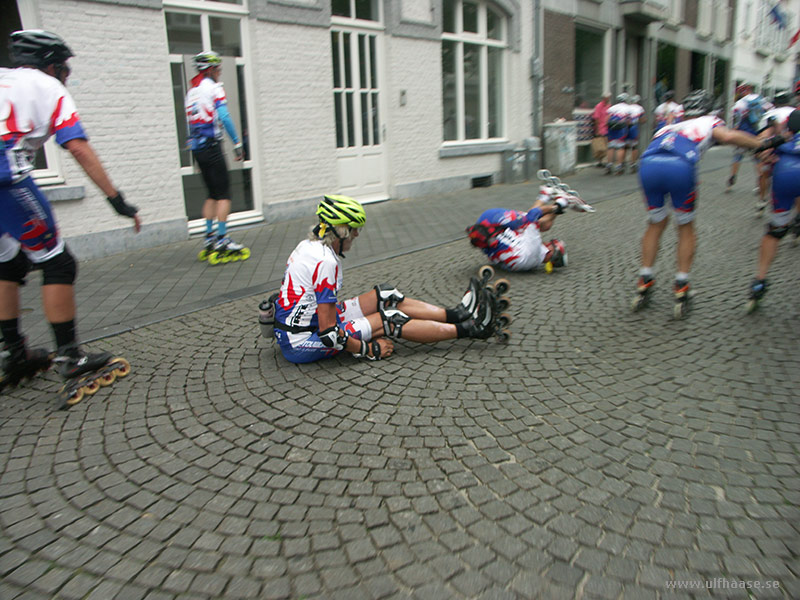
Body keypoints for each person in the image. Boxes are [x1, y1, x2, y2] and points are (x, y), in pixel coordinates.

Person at [0, 30, 140, 389]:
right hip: (6, 178)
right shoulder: (49, 87)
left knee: (9, 263)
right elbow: (76, 147)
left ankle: (12, 353)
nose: (66, 75)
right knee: (58, 263)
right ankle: (70, 356)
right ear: (53, 65)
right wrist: (116, 199)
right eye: (64, 67)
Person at [272, 195, 502, 363]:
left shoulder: (309, 245)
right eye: (354, 230)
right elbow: (328, 334)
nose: (357, 235)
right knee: (390, 319)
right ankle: (471, 328)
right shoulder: (325, 262)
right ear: (341, 231)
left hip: (304, 323)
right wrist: (369, 349)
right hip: (301, 342)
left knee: (385, 295)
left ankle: (457, 314)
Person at [632, 89, 783, 318]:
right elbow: (730, 137)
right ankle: (681, 284)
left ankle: (644, 279)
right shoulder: (710, 121)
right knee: (685, 226)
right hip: (680, 166)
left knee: (655, 223)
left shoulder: (668, 127)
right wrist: (762, 145)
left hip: (649, 164)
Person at [185, 51, 248, 262]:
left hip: (197, 148)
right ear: (211, 69)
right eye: (218, 69)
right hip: (212, 146)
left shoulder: (191, 92)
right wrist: (237, 143)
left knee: (211, 194)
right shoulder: (214, 89)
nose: (220, 72)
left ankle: (209, 237)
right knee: (224, 195)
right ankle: (222, 238)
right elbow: (224, 116)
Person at [466, 181, 592, 272]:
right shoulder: (532, 264)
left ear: (551, 251)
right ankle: (546, 194)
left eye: (552, 244)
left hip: (491, 220)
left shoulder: (534, 248)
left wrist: (559, 206)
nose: (549, 242)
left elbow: (533, 215)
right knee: (542, 225)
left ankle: (556, 198)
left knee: (534, 221)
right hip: (487, 240)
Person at [746, 109, 800, 310]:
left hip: (784, 175)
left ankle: (759, 281)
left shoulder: (783, 138)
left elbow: (762, 156)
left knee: (774, 231)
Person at [754, 90, 797, 210]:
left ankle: (762, 199)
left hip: (774, 147)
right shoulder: (796, 112)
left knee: (764, 173)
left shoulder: (770, 113)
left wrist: (760, 151)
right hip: (793, 151)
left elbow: (763, 135)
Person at [726, 83, 768, 197]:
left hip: (742, 135)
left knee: (737, 156)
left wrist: (732, 133)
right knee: (757, 160)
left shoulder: (739, 104)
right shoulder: (761, 100)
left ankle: (732, 178)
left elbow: (736, 121)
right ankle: (760, 181)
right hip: (757, 135)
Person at [605, 93, 630, 175]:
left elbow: (607, 119)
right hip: (621, 128)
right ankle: (618, 166)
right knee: (620, 147)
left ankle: (609, 165)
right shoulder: (627, 108)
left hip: (612, 127)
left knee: (611, 147)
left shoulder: (612, 107)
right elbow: (628, 120)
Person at [626, 94, 645, 173]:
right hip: (634, 127)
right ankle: (632, 163)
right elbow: (643, 120)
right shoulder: (640, 108)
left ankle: (621, 163)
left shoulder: (627, 107)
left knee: (624, 146)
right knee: (634, 146)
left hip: (625, 127)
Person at [591, 93, 611, 167]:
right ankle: (600, 161)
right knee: (600, 146)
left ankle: (604, 161)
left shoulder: (609, 106)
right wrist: (597, 130)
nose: (608, 99)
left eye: (609, 98)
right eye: (607, 98)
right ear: (604, 98)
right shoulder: (599, 106)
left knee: (605, 145)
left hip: (607, 128)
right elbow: (596, 118)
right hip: (601, 128)